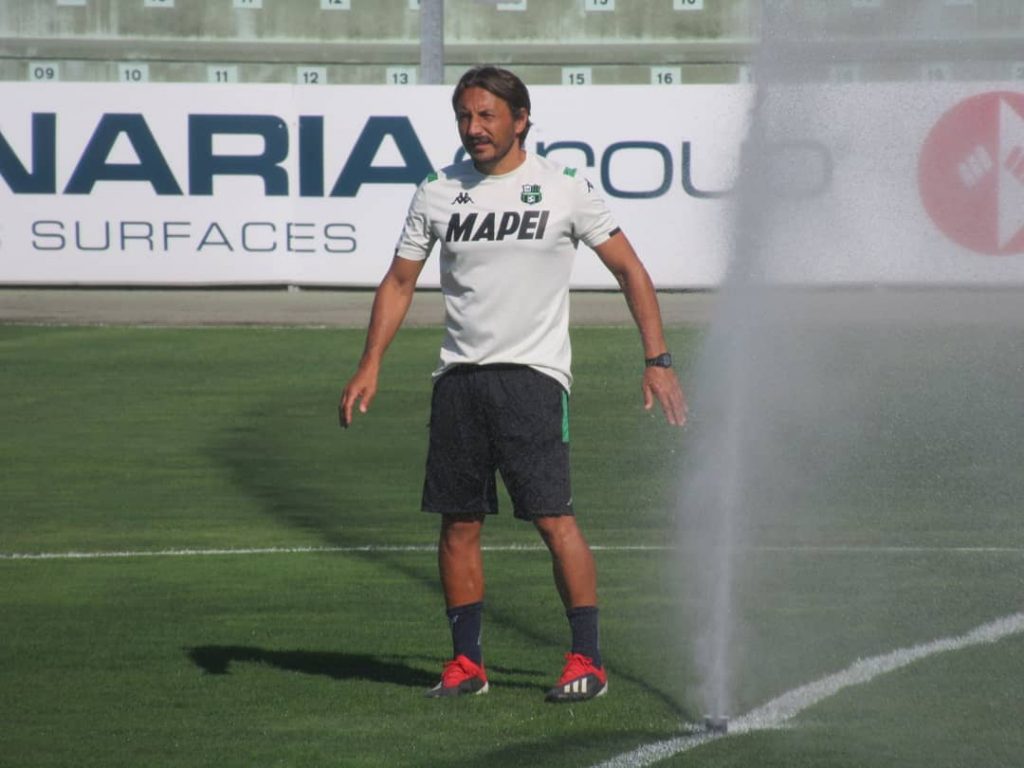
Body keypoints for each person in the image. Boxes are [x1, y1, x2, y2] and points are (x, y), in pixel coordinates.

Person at [339, 65, 686, 703]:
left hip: (533, 380)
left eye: (487, 116)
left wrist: (657, 359)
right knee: (458, 524)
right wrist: (370, 362)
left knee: (554, 519)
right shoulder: (438, 191)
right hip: (458, 380)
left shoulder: (564, 188)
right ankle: (466, 666)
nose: (474, 129)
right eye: (465, 117)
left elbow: (631, 270)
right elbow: (398, 282)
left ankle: (587, 660)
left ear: (521, 119)